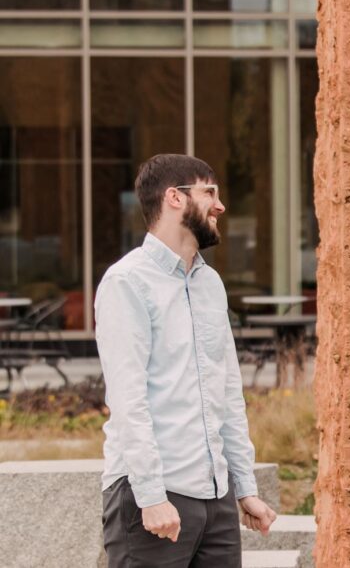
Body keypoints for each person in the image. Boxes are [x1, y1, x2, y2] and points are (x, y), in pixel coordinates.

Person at [95, 154, 277, 567]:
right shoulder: (127, 282)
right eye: (209, 192)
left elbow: (226, 390)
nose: (220, 206)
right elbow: (128, 399)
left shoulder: (210, 283)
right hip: (154, 498)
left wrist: (244, 486)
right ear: (174, 198)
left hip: (215, 498)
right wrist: (151, 496)